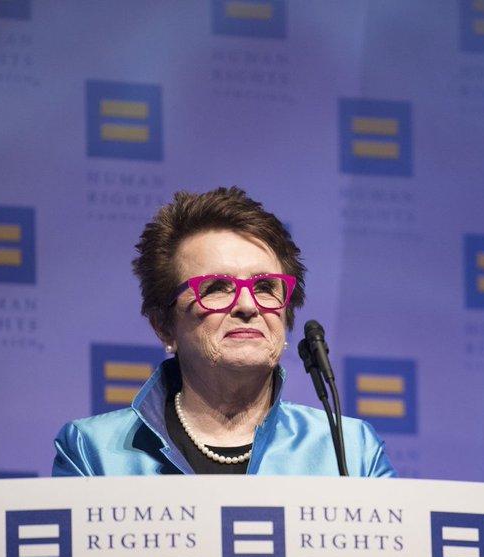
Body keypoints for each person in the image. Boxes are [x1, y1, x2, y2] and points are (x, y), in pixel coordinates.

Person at [53, 186, 396, 478]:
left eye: (265, 287)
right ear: (164, 326)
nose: (247, 306)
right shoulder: (92, 451)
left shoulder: (351, 450)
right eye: (216, 287)